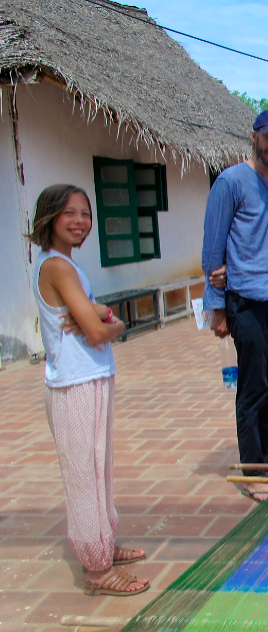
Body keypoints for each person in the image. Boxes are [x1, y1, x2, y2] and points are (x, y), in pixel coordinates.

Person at [28, 184, 149, 596]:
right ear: (49, 218)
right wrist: (109, 321)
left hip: (92, 378)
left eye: (85, 213)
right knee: (83, 474)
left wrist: (104, 318)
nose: (80, 221)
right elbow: (101, 331)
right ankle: (96, 571)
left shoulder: (67, 266)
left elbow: (101, 322)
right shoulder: (56, 267)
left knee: (99, 468)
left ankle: (103, 545)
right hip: (73, 384)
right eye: (69, 214)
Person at [202, 108, 268, 502]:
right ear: (255, 136)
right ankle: (253, 470)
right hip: (246, 300)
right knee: (253, 387)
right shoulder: (229, 183)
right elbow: (212, 250)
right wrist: (218, 309)